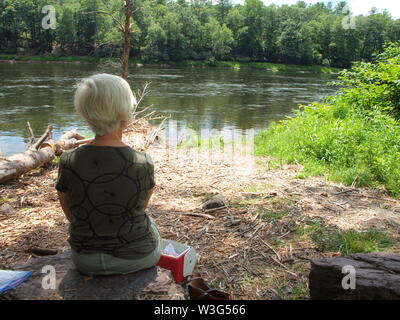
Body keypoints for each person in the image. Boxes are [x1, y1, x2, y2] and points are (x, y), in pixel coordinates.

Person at [55, 73, 161, 276]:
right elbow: (137, 210)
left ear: (85, 112)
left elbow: (71, 215)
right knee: (151, 223)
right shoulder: (143, 161)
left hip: (85, 260)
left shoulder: (68, 160)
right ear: (126, 112)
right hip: (138, 257)